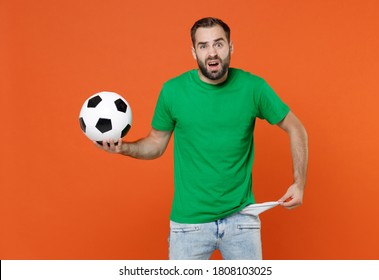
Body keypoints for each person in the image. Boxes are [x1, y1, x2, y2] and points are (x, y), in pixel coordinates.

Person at [96, 17, 308, 260]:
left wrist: (299, 182)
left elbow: (297, 129)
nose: (211, 53)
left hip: (242, 220)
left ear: (231, 47)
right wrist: (125, 148)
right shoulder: (173, 91)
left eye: (218, 44)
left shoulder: (254, 88)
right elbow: (155, 144)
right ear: (193, 51)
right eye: (203, 45)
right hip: (189, 226)